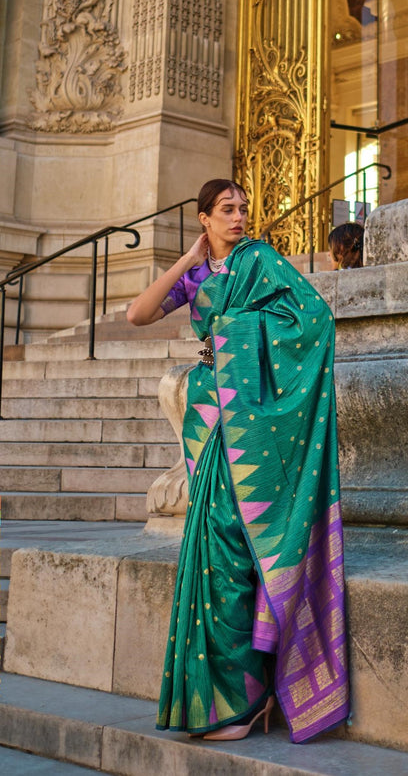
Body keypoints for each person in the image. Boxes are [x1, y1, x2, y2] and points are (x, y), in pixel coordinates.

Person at [127, 178, 350, 743]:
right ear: (204, 218)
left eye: (244, 208)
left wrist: (232, 335)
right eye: (226, 210)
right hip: (208, 421)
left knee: (231, 546)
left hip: (249, 421)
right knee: (207, 551)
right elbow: (137, 314)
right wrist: (186, 260)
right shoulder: (200, 276)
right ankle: (221, 702)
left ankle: (245, 702)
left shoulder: (263, 262)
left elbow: (315, 321)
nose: (239, 217)